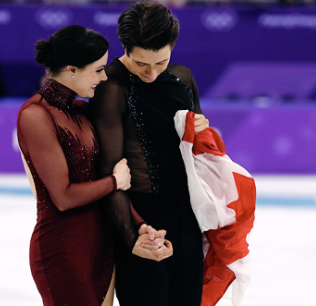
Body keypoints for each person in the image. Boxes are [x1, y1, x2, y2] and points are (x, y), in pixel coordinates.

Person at [16, 25, 171, 306]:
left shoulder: (83, 110)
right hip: (62, 249)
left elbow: (103, 177)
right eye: (98, 69)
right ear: (72, 69)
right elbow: (63, 198)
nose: (104, 77)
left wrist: (139, 225)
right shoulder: (35, 115)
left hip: (101, 244)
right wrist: (115, 181)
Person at [89, 2, 209, 305]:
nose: (152, 73)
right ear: (125, 47)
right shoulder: (111, 85)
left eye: (161, 62)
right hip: (142, 221)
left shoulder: (182, 78)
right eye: (142, 64)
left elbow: (200, 154)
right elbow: (108, 172)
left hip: (190, 222)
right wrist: (133, 236)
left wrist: (203, 133)